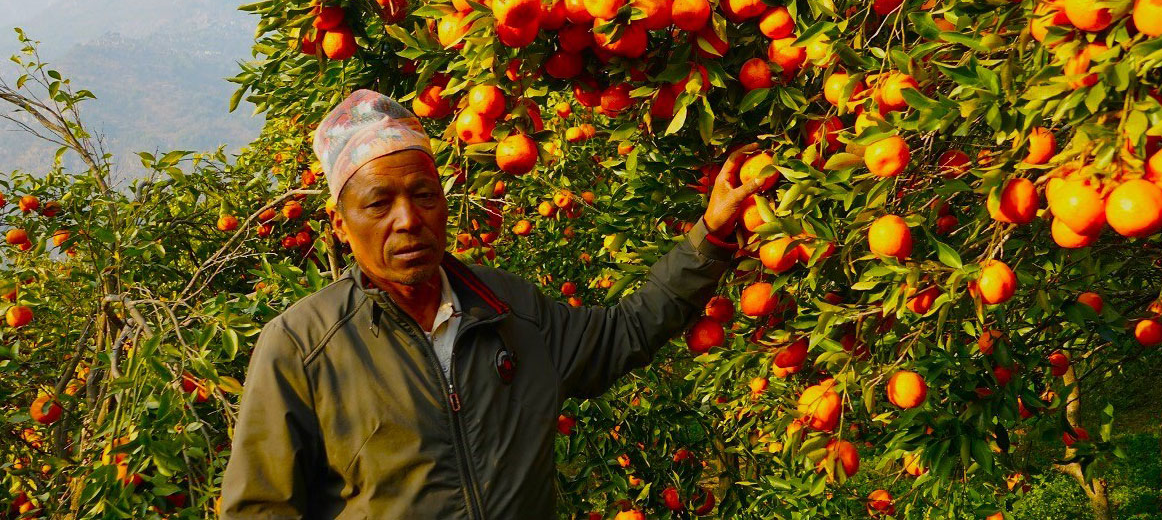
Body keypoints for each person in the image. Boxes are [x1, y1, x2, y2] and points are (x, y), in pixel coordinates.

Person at [219, 88, 763, 519]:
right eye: (379, 202)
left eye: (424, 195)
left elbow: (626, 332)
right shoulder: (302, 348)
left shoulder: (509, 310)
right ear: (340, 224)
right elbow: (260, 509)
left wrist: (712, 234)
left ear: (444, 202)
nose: (407, 219)